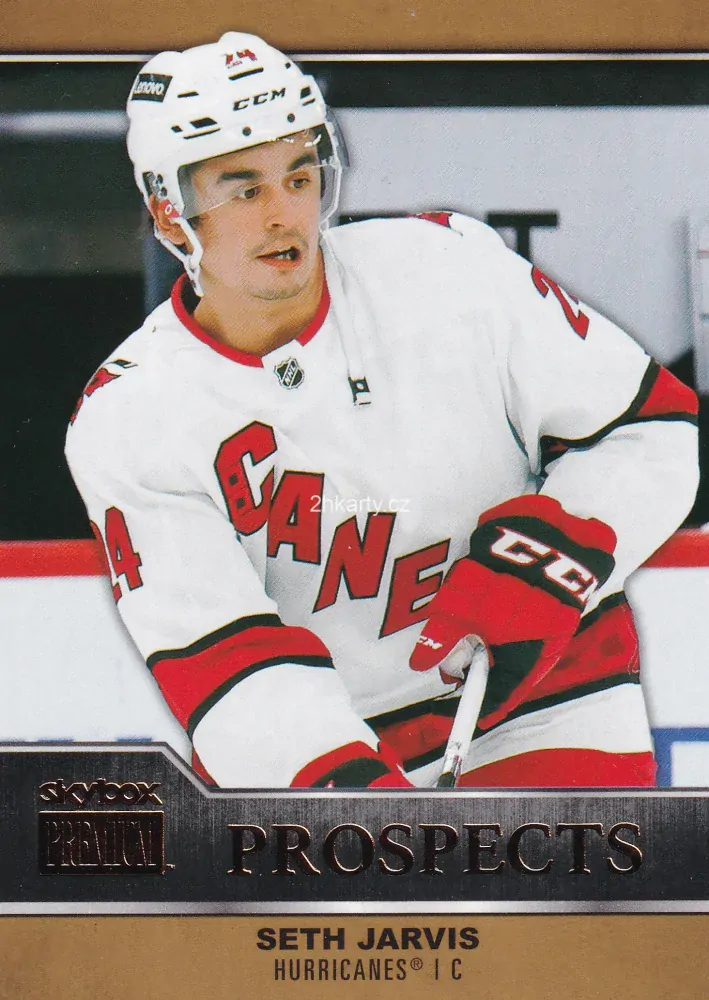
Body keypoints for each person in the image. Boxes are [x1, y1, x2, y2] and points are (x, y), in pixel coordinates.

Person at [65, 32, 699, 789]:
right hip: (317, 740)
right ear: (172, 216)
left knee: (561, 868)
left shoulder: (447, 269)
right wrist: (353, 805)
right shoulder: (130, 415)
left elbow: (650, 429)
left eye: (299, 177)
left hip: (545, 691)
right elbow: (225, 664)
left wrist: (546, 562)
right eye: (244, 191)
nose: (284, 214)